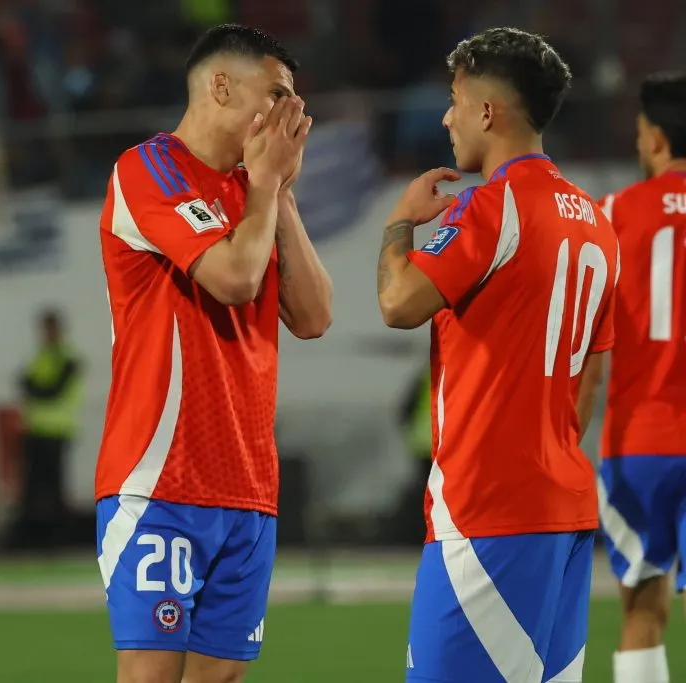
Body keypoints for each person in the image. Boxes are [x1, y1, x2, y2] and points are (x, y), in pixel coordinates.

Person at [376, 28, 618, 682]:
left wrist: (400, 223)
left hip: (489, 509)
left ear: (488, 112)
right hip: (564, 507)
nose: (447, 117)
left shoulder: (493, 206)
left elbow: (398, 302)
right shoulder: (596, 221)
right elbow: (591, 378)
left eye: (455, 100)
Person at [94, 23, 333, 683]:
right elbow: (234, 279)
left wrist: (279, 192)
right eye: (277, 93)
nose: (292, 113)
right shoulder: (149, 168)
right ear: (221, 85)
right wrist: (266, 186)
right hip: (160, 478)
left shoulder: (253, 192)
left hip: (247, 485)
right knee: (151, 674)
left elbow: (314, 316)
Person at [594, 71, 686, 683]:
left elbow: (588, 351)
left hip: (639, 444)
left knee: (643, 610)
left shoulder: (611, 217)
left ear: (655, 138)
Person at [12, 308, 83, 549]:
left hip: (57, 433)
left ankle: (59, 539)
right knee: (32, 489)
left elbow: (48, 391)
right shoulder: (41, 356)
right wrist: (33, 388)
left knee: (55, 488)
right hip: (35, 431)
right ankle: (33, 540)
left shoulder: (68, 359)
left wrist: (33, 388)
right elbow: (26, 384)